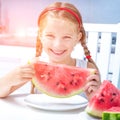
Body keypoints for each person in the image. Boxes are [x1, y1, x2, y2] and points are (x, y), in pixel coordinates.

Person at [0, 2, 101, 100]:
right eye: (50, 36)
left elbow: (101, 110)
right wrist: (11, 77)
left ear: (78, 38)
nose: (57, 45)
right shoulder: (34, 66)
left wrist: (95, 97)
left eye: (66, 37)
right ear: (40, 36)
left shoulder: (88, 69)